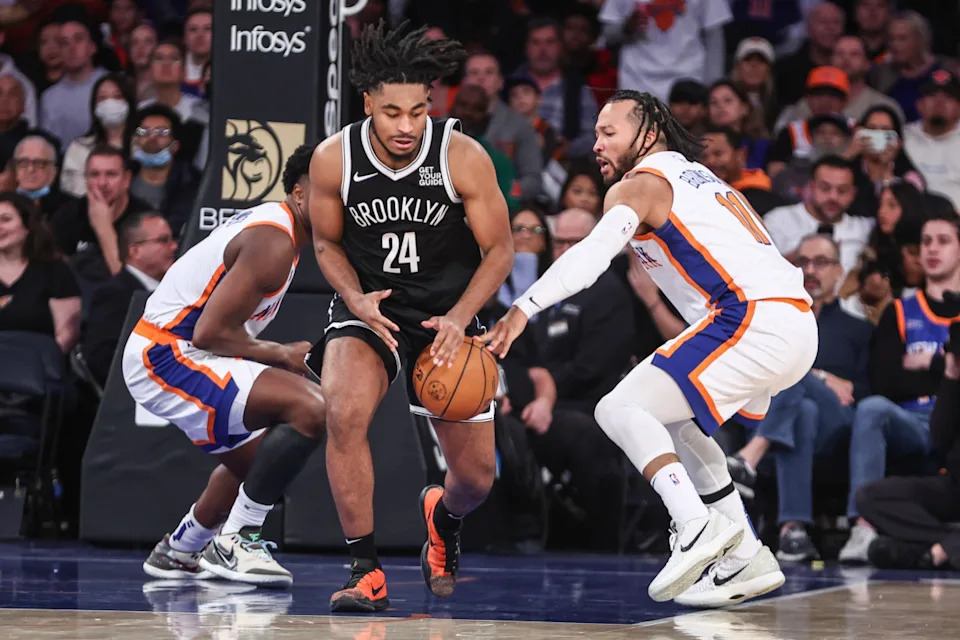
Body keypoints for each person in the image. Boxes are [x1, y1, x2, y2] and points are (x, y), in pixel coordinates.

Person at [482, 90, 817, 608]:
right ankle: (746, 553)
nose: (596, 144)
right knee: (675, 424)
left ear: (648, 132)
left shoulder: (640, 185)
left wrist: (524, 307)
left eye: (608, 132)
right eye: (594, 132)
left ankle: (693, 525)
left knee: (617, 407)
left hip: (752, 317)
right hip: (791, 321)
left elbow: (592, 255)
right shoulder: (700, 179)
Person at [304, 22, 513, 613]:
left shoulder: (461, 155)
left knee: (475, 482)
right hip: (372, 311)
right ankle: (365, 570)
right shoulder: (333, 158)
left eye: (417, 112)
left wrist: (460, 317)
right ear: (367, 102)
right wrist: (354, 297)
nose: (405, 126)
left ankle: (442, 523)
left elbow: (500, 252)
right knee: (342, 412)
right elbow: (326, 246)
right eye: (392, 112)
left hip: (448, 316)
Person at [123, 146, 327, 587]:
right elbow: (209, 333)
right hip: (168, 352)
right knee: (311, 408)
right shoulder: (275, 241)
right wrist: (282, 355)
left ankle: (180, 549)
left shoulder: (281, 229)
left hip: (175, 347)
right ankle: (237, 539)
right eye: (324, 190)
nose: (335, 201)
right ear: (298, 193)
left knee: (261, 466)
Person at [0, 192, 81, 353]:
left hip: (37, 370)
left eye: (6, 219)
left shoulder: (56, 271)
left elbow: (67, 335)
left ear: (28, 225)